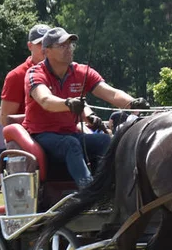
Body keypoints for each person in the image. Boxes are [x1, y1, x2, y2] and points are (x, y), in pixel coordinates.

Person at [23, 27, 141, 187]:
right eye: (62, 46)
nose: (69, 49)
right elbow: (45, 100)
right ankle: (89, 191)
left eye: (70, 45)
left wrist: (133, 103)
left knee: (104, 140)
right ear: (47, 51)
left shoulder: (82, 72)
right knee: (70, 144)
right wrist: (68, 103)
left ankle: (111, 187)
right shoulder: (35, 73)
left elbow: (111, 94)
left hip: (70, 133)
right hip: (42, 135)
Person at [0, 24, 50, 124]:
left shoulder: (62, 71)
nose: (45, 48)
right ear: (30, 46)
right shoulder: (16, 76)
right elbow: (6, 120)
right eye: (40, 43)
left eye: (48, 43)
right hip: (30, 135)